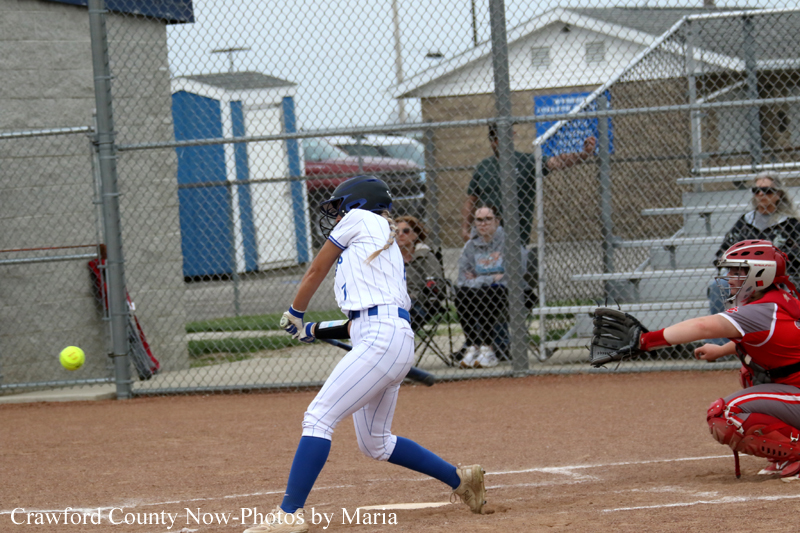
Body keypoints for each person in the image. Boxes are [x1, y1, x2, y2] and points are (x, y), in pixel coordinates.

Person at [245, 176, 486, 533]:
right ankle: (460, 479)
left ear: (358, 204)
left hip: (380, 338)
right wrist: (311, 329)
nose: (337, 214)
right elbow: (357, 320)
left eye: (341, 207)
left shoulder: (359, 220)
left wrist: (295, 312)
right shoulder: (380, 241)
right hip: (389, 336)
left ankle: (289, 513)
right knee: (375, 442)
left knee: (318, 418)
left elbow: (315, 269)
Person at [615, 240, 800, 480]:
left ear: (760, 274)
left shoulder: (762, 310)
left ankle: (795, 452)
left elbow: (701, 326)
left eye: (737, 271)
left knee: (724, 413)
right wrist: (722, 350)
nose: (729, 277)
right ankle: (788, 452)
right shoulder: (779, 299)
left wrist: (645, 341)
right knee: (749, 373)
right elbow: (777, 344)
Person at [461, 122, 596, 244]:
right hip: (487, 239)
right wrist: (465, 229)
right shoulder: (483, 167)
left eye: (501, 138)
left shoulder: (526, 162)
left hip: (517, 239)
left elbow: (556, 162)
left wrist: (583, 155)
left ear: (511, 137)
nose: (497, 143)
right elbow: (472, 200)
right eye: (494, 139)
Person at [708, 173, 800, 316]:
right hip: (744, 276)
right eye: (756, 190)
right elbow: (723, 252)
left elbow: (796, 257)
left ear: (778, 194)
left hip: (777, 278)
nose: (761, 194)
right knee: (718, 286)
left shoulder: (790, 224)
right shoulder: (745, 222)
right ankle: (723, 338)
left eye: (768, 190)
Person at [455, 205, 525, 369]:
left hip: (506, 291)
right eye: (479, 220)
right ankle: (474, 346)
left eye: (488, 219)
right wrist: (492, 276)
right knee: (462, 294)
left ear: (497, 221)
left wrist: (480, 278)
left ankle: (488, 348)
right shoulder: (470, 246)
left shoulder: (510, 242)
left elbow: (515, 272)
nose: (483, 223)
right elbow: (462, 278)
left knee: (487, 291)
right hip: (478, 291)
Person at [395, 215, 444, 332]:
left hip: (421, 303)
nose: (400, 234)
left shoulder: (425, 255)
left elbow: (436, 283)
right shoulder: (388, 258)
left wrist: (415, 295)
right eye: (396, 231)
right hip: (394, 301)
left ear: (415, 235)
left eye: (406, 231)